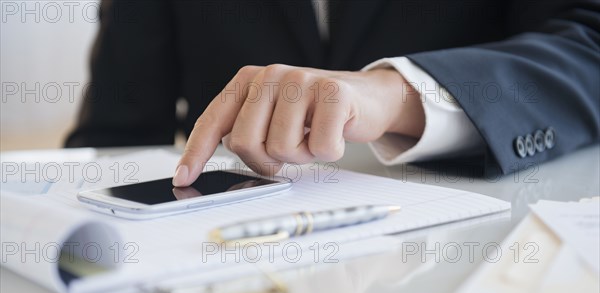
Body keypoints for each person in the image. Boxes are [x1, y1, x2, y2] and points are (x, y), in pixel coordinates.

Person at [65, 0, 600, 186]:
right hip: (230, 280)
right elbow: (116, 135)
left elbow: (588, 47)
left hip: (477, 276)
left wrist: (395, 93)